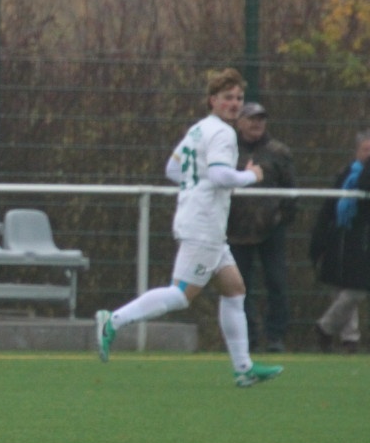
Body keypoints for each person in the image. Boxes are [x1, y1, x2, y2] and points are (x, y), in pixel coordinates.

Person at [94, 68, 284, 387]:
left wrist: (196, 187)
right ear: (213, 100)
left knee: (234, 289)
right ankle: (112, 321)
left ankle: (243, 368)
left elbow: (173, 168)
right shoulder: (222, 133)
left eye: (238, 98)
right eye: (228, 98)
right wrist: (252, 175)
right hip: (205, 224)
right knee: (182, 295)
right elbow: (222, 176)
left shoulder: (199, 129)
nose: (235, 104)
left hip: (200, 219)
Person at [226, 102, 296, 353]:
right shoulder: (227, 149)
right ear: (240, 122)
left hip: (270, 230)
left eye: (261, 119)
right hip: (235, 230)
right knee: (238, 287)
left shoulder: (278, 152)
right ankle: (249, 338)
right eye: (252, 119)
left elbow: (290, 190)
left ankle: (275, 337)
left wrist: (280, 219)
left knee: (276, 283)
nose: (257, 124)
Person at [308, 129, 370, 354]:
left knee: (358, 288)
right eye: (366, 150)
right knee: (340, 288)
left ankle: (325, 327)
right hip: (340, 238)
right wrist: (319, 240)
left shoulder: (364, 175)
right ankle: (349, 339)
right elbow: (329, 208)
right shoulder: (345, 175)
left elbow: (365, 185)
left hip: (363, 239)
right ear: (357, 151)